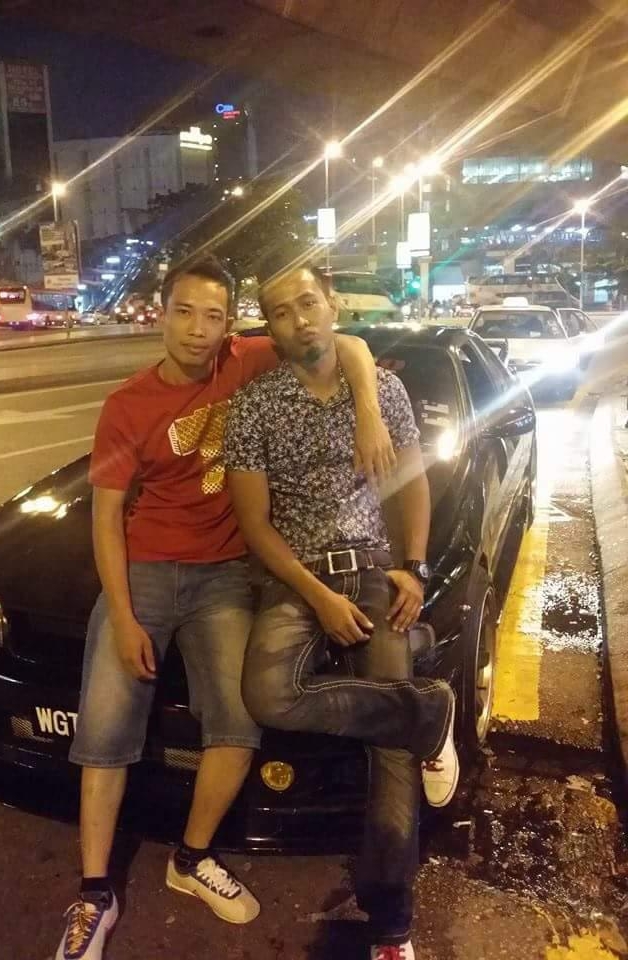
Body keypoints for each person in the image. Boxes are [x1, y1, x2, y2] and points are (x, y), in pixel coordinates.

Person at [54, 253, 396, 960]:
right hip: (146, 571)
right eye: (183, 311)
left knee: (239, 724)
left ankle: (191, 857)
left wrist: (368, 409)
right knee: (108, 727)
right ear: (161, 313)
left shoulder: (245, 360)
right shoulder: (127, 405)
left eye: (213, 316)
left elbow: (349, 343)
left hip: (225, 578)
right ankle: (93, 895)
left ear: (229, 324)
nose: (197, 329)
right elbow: (106, 518)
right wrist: (123, 614)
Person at [224, 261, 459, 960]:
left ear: (331, 305)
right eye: (281, 312)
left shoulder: (382, 388)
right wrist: (319, 596)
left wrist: (414, 565)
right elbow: (255, 524)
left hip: (373, 568)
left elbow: (412, 481)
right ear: (271, 329)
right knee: (266, 693)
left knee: (389, 751)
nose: (299, 320)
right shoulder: (256, 406)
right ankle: (425, 708)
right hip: (296, 580)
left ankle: (391, 924)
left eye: (308, 303)